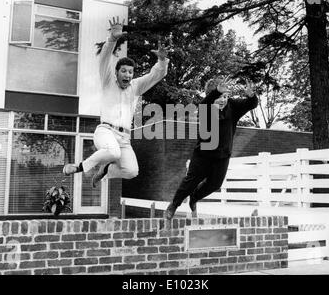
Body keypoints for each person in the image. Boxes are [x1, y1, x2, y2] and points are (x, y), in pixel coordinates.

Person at [63, 16, 170, 186]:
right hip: (105, 131)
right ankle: (80, 167)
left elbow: (156, 75)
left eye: (130, 72)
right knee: (112, 152)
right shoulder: (107, 81)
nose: (128, 75)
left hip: (124, 138)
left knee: (132, 171)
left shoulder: (135, 86)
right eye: (124, 71)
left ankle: (106, 170)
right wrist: (113, 38)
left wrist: (162, 60)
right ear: (117, 72)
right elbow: (104, 58)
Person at [164, 76, 258, 220]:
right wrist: (215, 92)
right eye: (219, 97)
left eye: (226, 97)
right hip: (203, 154)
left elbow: (250, 104)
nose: (223, 100)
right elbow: (204, 104)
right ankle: (174, 205)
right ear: (212, 97)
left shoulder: (232, 107)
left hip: (222, 156)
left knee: (215, 184)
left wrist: (252, 96)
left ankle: (194, 198)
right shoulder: (205, 110)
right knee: (191, 181)